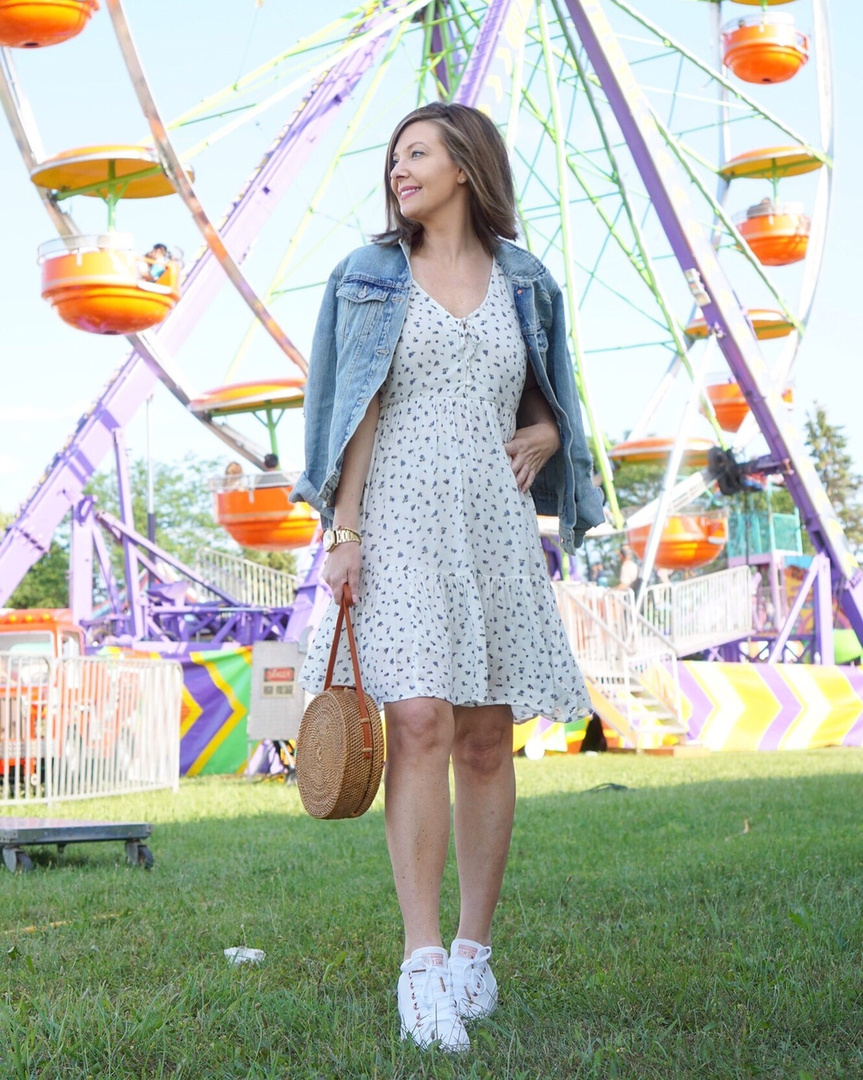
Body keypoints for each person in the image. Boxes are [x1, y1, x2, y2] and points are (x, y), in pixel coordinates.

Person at [291, 102, 604, 1054]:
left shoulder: (528, 281)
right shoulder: (367, 278)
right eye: (393, 158)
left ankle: (474, 950)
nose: (398, 170)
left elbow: (551, 395)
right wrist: (339, 530)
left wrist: (551, 431)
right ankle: (419, 964)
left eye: (416, 153)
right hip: (397, 521)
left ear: (465, 166)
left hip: (493, 528)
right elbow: (350, 405)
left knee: (484, 736)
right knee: (418, 717)